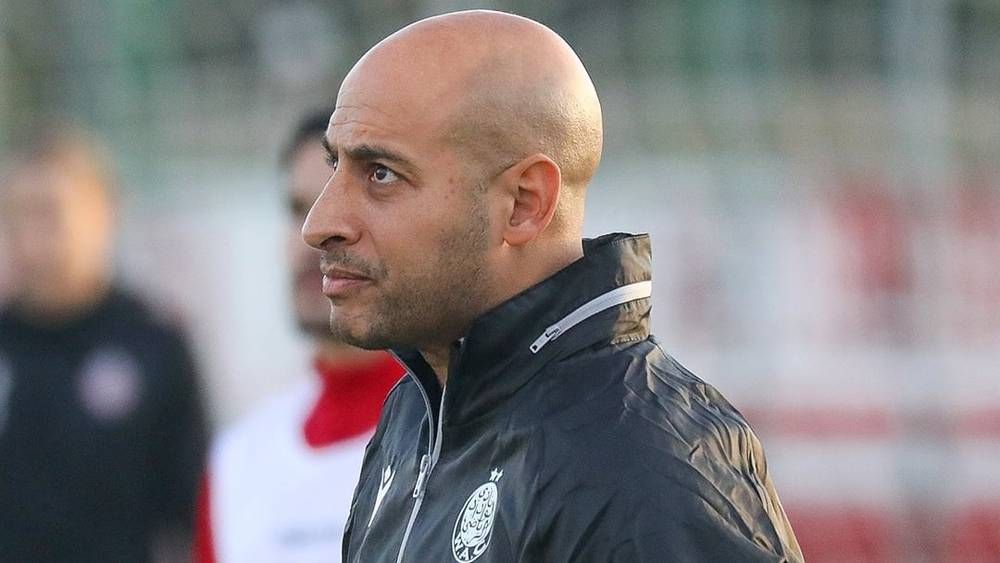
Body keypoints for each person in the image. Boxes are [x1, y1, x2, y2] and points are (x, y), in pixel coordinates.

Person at [302, 10, 804, 563]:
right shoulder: (418, 411)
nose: (320, 223)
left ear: (523, 203)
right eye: (335, 165)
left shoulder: (642, 468)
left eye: (380, 173)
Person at [194, 111, 403, 563]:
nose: (313, 235)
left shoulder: (465, 434)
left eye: (341, 207)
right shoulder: (239, 463)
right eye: (297, 209)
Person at [0, 126, 208, 562]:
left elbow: (191, 507)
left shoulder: (153, 343)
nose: (31, 237)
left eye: (48, 213)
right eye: (17, 215)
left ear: (103, 213)